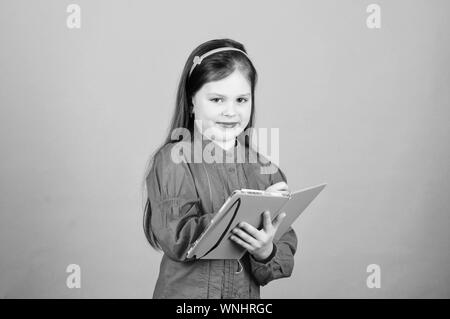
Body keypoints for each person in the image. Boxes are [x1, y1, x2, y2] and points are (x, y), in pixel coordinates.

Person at [143, 38, 298, 299]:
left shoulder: (265, 168)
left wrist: (265, 250)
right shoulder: (174, 159)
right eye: (216, 99)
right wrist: (244, 212)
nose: (230, 111)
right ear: (192, 102)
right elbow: (178, 240)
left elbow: (280, 261)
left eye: (241, 99)